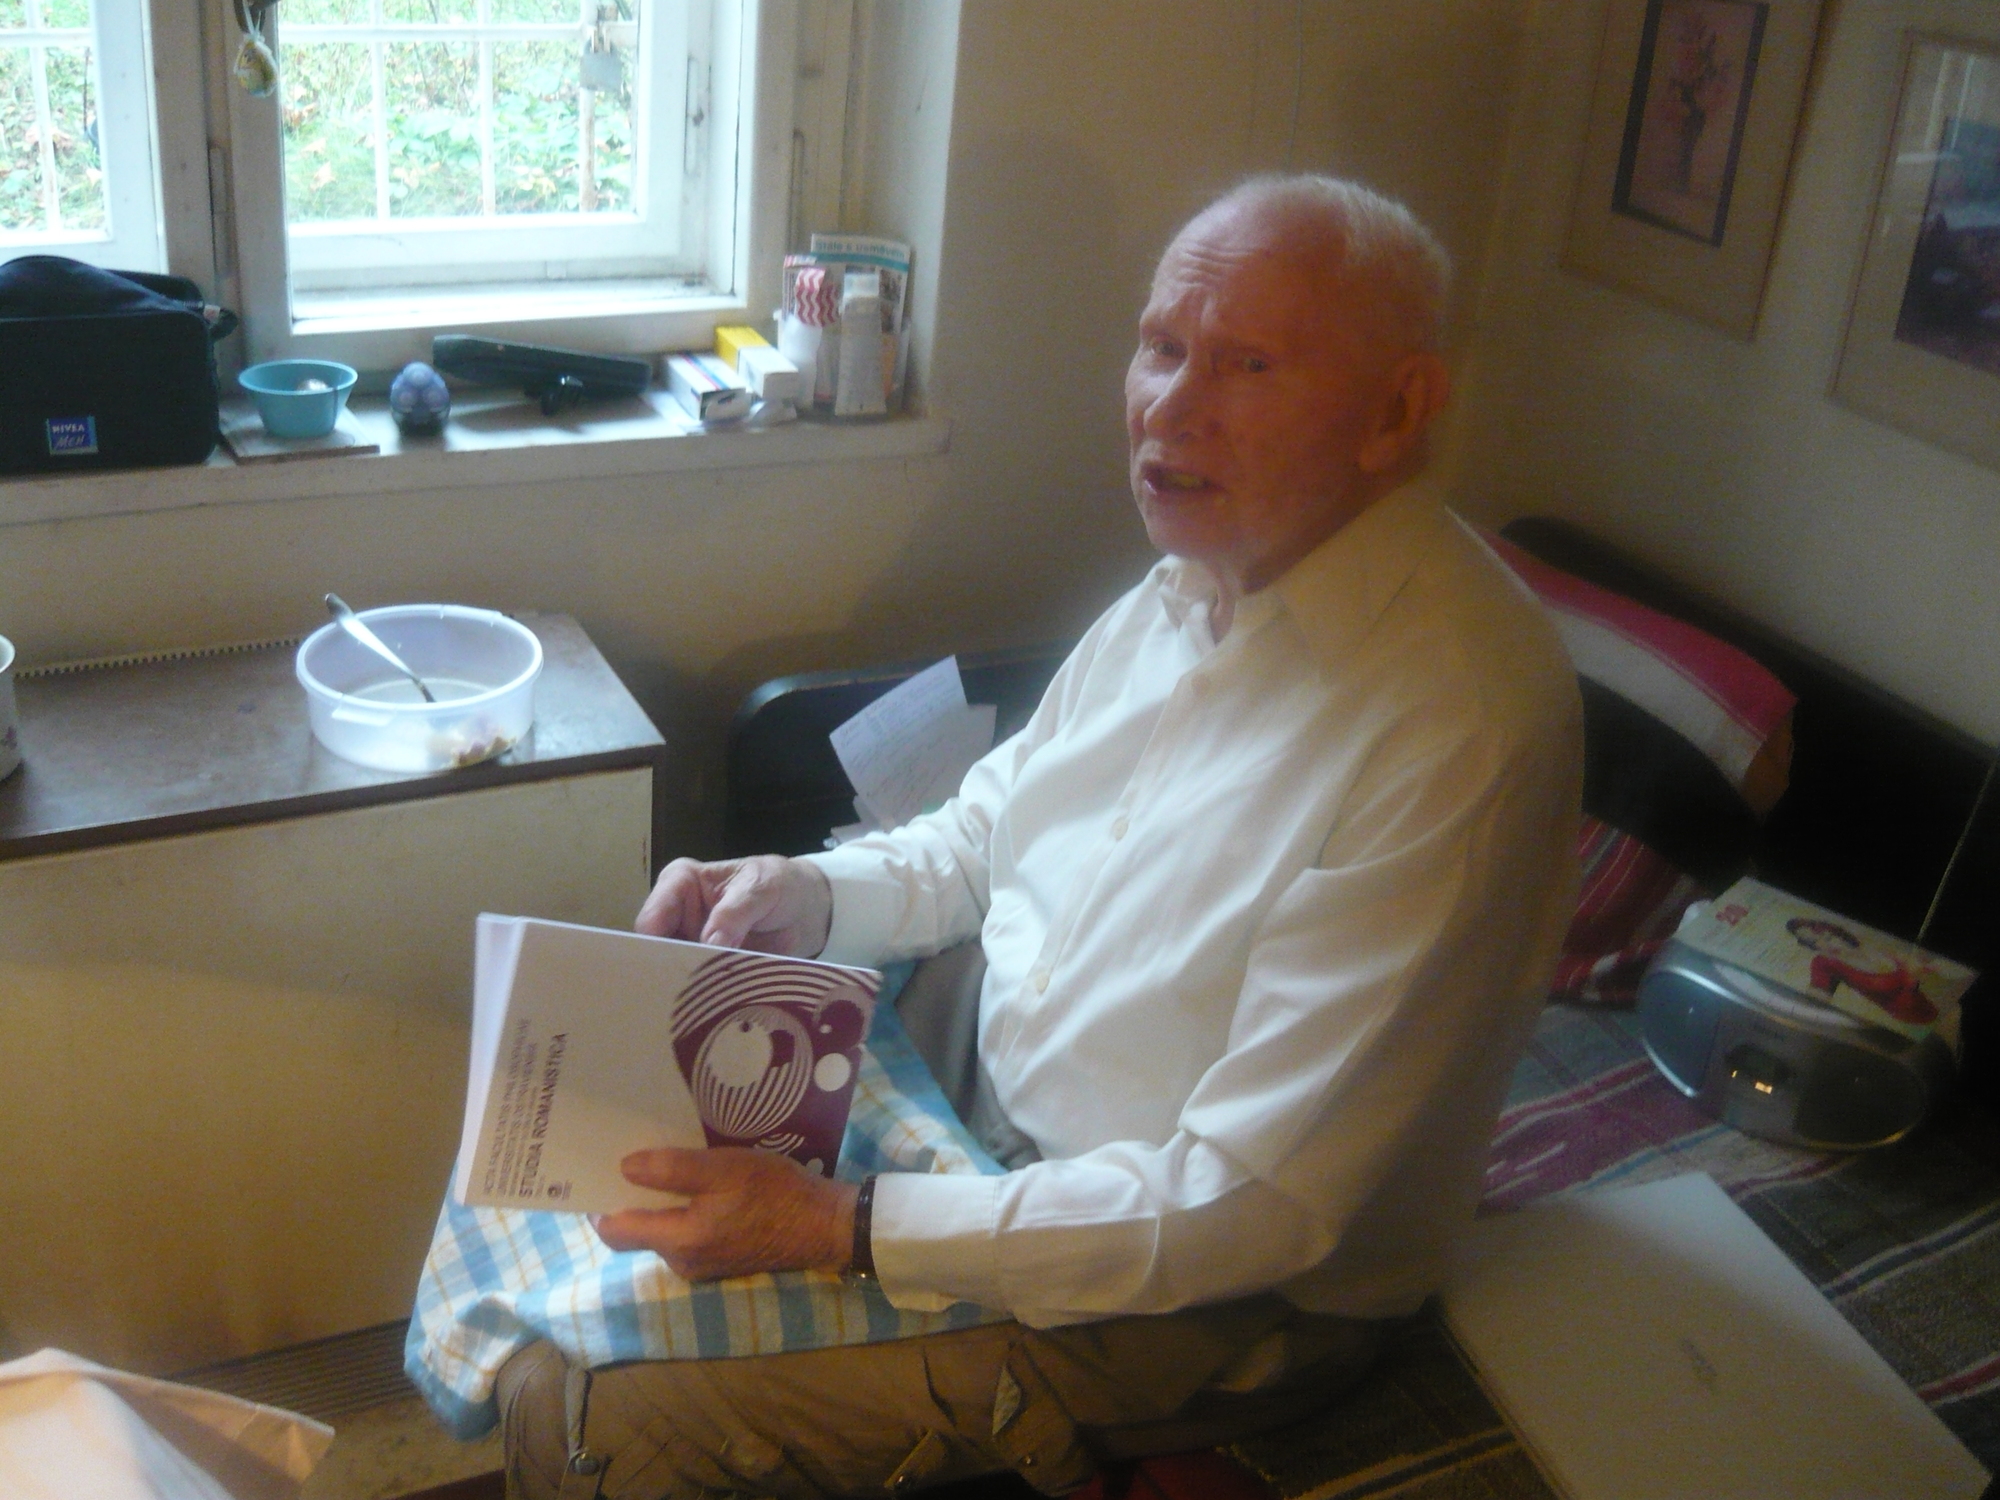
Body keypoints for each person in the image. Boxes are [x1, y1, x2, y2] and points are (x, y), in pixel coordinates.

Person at [499, 174, 1584, 1499]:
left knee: (580, 1412)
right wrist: (802, 892)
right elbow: (984, 834)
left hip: (1203, 1285)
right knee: (585, 1140)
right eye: (1162, 345)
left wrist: (842, 1227)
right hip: (985, 1088)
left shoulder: (1456, 723)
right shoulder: (1194, 581)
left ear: (1399, 412)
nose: (1169, 407)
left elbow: (1250, 1208)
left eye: (1247, 363)